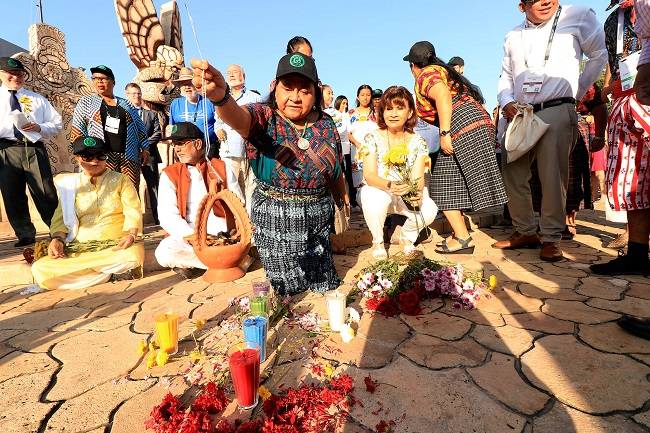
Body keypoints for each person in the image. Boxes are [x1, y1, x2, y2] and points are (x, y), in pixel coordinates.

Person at [190, 52, 348, 295]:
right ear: (275, 88)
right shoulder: (263, 116)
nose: (295, 97)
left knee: (324, 286)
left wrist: (341, 197)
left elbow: (335, 166)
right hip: (277, 217)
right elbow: (239, 118)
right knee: (290, 291)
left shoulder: (326, 123)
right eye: (288, 88)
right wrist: (221, 98)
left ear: (315, 93)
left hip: (319, 218)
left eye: (304, 90)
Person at [495, 0, 607, 262]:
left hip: (557, 108)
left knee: (552, 175)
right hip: (522, 111)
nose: (545, 2)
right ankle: (525, 231)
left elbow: (599, 54)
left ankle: (551, 237)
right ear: (522, 6)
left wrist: (575, 93)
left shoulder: (577, 15)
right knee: (512, 169)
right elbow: (505, 76)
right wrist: (506, 100)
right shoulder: (512, 35)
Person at [405, 41, 507, 254]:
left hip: (460, 124)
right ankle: (460, 236)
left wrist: (445, 133)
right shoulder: (444, 70)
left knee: (442, 181)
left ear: (413, 65)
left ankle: (461, 237)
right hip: (476, 119)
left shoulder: (425, 75)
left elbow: (442, 95)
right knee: (450, 177)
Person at [31, 135, 144, 290]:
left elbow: (133, 209)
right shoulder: (70, 186)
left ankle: (92, 274)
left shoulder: (121, 180)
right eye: (87, 156)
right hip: (81, 248)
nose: (94, 161)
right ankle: (105, 274)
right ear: (77, 158)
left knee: (131, 257)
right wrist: (57, 239)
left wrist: (131, 235)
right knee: (40, 269)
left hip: (117, 245)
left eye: (100, 156)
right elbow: (60, 218)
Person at [591, 0, 650, 275]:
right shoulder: (612, 20)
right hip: (626, 98)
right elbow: (613, 59)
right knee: (630, 178)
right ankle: (637, 253)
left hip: (644, 94)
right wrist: (607, 87)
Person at [357, 86, 438, 258]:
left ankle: (407, 237)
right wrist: (390, 185)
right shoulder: (372, 138)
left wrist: (414, 191)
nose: (393, 114)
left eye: (400, 108)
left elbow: (418, 179)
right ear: (382, 112)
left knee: (430, 209)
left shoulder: (418, 142)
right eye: (389, 108)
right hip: (379, 189)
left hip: (404, 193)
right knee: (375, 197)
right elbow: (369, 175)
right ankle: (378, 242)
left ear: (409, 113)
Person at [155, 122, 239, 279]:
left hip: (224, 233)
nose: (177, 149)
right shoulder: (169, 174)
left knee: (258, 236)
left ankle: (204, 263)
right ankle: (227, 262)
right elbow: (167, 215)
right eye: (174, 145)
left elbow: (238, 203)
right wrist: (192, 236)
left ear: (198, 143)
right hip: (191, 236)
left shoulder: (221, 167)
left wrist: (236, 231)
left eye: (181, 143)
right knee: (164, 251)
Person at [0, 57, 61, 247]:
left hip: (34, 148)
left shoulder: (37, 99)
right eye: (11, 73)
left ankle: (57, 230)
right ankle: (24, 233)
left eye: (19, 74)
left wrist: (40, 127)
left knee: (45, 191)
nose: (15, 77)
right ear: (1, 74)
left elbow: (56, 124)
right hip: (6, 150)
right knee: (12, 193)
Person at [70, 65, 148, 190]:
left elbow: (140, 127)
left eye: (103, 78)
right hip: (100, 157)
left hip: (128, 156)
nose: (99, 81)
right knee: (104, 193)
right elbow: (78, 129)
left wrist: (145, 148)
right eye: (95, 78)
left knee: (130, 191)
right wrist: (81, 153)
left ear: (113, 81)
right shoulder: (86, 102)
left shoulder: (126, 104)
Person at [215, 64, 262, 207]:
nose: (231, 75)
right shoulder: (222, 98)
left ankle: (250, 220)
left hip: (250, 149)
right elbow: (217, 121)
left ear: (244, 76)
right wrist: (218, 129)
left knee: (252, 185)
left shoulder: (255, 98)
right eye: (228, 73)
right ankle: (239, 217)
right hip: (229, 149)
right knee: (231, 183)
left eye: (235, 72)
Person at [125, 82, 162, 224]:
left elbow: (158, 133)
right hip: (130, 156)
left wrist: (144, 147)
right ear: (127, 95)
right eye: (133, 93)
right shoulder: (124, 114)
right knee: (131, 187)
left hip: (150, 155)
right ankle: (135, 221)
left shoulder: (151, 115)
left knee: (154, 188)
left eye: (139, 93)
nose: (137, 96)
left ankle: (159, 219)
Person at [169, 67, 218, 157]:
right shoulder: (175, 104)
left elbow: (220, 122)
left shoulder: (209, 100)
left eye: (190, 83)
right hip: (185, 148)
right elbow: (172, 127)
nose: (187, 87)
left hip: (208, 146)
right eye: (183, 84)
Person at [348, 85, 378, 192]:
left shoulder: (376, 113)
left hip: (373, 150)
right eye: (362, 95)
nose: (365, 97)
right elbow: (347, 133)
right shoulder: (351, 113)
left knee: (374, 177)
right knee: (358, 178)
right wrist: (357, 143)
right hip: (357, 150)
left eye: (368, 95)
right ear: (357, 97)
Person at [329, 94, 356, 208]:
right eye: (343, 103)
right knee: (339, 175)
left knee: (349, 175)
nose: (345, 105)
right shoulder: (332, 114)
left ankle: (352, 200)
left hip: (346, 149)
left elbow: (349, 131)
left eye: (346, 103)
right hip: (335, 149)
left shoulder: (346, 116)